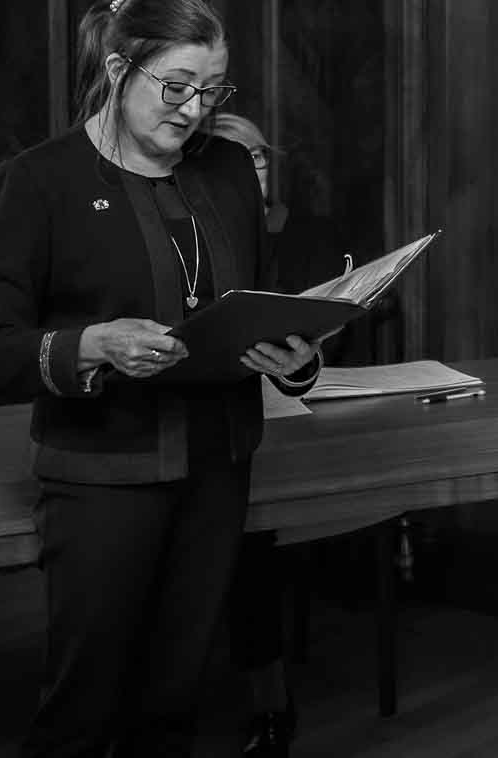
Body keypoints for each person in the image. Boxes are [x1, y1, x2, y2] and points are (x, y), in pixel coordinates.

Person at [0, 0, 322, 757]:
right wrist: (93, 344)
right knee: (85, 710)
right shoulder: (38, 181)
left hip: (218, 467)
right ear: (121, 69)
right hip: (101, 479)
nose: (194, 110)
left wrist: (295, 357)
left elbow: (261, 303)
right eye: (177, 87)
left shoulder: (226, 171)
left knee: (174, 700)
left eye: (212, 90)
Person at [209, 112, 348, 758]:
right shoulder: (199, 232)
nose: (255, 169)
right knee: (240, 520)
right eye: (238, 160)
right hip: (219, 408)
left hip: (306, 401)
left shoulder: (309, 233)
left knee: (253, 526)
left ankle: (269, 699)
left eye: (260, 157)